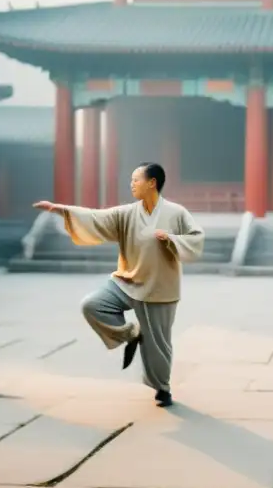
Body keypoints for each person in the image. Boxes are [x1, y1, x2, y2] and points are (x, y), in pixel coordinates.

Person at [33, 162, 204, 407]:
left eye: (136, 179)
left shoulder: (176, 213)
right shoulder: (126, 213)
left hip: (160, 288)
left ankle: (162, 388)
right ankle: (130, 334)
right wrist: (60, 210)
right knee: (92, 305)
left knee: (158, 344)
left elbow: (196, 239)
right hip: (126, 281)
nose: (131, 184)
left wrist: (172, 239)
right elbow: (95, 217)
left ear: (152, 182)